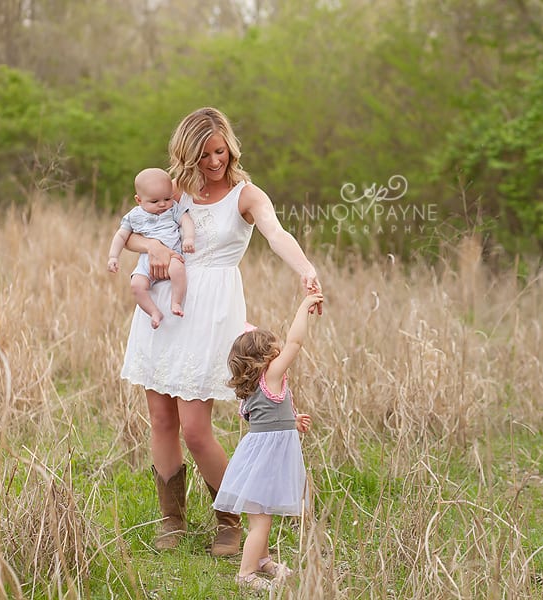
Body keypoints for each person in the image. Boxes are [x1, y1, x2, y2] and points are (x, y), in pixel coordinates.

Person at [120, 107, 322, 556]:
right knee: (161, 419)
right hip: (165, 308)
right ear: (187, 154)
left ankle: (230, 519)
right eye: (204, 154)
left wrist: (306, 269)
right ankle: (171, 520)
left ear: (230, 147)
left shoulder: (245, 196)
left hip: (212, 314)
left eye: (220, 151)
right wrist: (153, 246)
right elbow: (130, 230)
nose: (214, 161)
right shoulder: (175, 190)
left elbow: (276, 233)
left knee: (196, 429)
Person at [215, 293, 322, 591]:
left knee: (262, 517)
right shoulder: (271, 374)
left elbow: (265, 420)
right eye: (276, 348)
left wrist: (292, 421)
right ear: (267, 357)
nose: (281, 352)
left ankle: (262, 561)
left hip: (259, 460)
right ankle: (245, 574)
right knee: (260, 523)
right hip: (265, 462)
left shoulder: (252, 388)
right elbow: (296, 342)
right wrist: (304, 306)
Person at [107, 168, 195, 329]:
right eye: (154, 201)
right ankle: (154, 312)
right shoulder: (134, 216)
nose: (162, 204)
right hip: (146, 261)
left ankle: (176, 302)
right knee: (136, 285)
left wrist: (189, 238)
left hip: (173, 255)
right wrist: (113, 256)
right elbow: (121, 236)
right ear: (139, 200)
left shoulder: (173, 209)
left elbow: (186, 220)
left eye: (167, 198)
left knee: (178, 270)